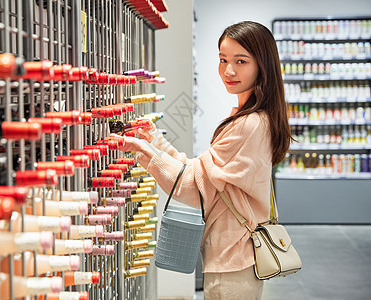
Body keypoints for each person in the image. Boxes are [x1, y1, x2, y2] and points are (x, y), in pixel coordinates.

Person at [112, 21, 292, 300]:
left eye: (240, 61)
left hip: (233, 262)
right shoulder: (255, 118)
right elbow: (200, 172)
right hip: (236, 259)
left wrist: (143, 150)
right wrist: (154, 141)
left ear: (262, 65)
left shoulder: (248, 125)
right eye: (223, 60)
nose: (228, 71)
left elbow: (190, 186)